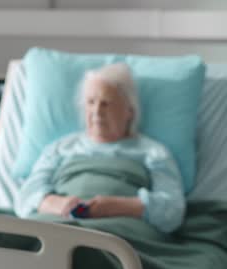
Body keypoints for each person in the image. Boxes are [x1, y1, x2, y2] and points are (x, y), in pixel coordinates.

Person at [14, 63, 185, 233]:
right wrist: (57, 204)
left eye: (106, 103)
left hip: (120, 231)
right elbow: (27, 196)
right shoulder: (61, 148)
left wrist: (117, 207)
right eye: (90, 102)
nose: (96, 111)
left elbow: (172, 210)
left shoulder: (153, 152)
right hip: (56, 225)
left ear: (129, 111)